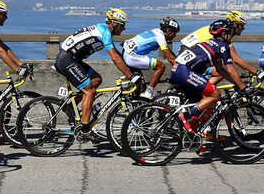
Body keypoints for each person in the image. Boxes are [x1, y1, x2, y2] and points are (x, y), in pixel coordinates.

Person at [54, 8, 138, 138]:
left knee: (96, 80)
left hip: (71, 59)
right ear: (114, 24)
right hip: (67, 59)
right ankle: (85, 128)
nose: (124, 29)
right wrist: (131, 76)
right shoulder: (105, 32)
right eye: (122, 25)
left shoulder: (102, 29)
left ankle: (71, 107)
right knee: (89, 91)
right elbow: (115, 57)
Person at [171, 19, 250, 133]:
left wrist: (236, 82)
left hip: (178, 70)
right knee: (215, 95)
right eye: (230, 33)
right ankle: (185, 116)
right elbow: (230, 69)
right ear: (223, 34)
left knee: (202, 104)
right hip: (184, 71)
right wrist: (244, 87)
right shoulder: (223, 46)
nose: (231, 36)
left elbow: (220, 70)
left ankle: (192, 136)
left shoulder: (211, 43)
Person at [179, 11, 259, 79]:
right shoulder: (223, 34)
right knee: (221, 73)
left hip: (185, 52)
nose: (243, 28)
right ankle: (207, 93)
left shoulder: (217, 28)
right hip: (189, 55)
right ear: (235, 24)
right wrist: (256, 72)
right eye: (242, 25)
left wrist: (247, 69)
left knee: (219, 71)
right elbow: (235, 58)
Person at [121, 17, 180, 98]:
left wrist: (179, 60)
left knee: (141, 85)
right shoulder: (160, 36)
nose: (175, 36)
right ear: (168, 30)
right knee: (160, 66)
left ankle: (136, 103)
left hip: (126, 52)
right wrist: (181, 69)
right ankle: (149, 93)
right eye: (175, 33)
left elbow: (169, 53)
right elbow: (169, 58)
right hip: (131, 55)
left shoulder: (157, 32)